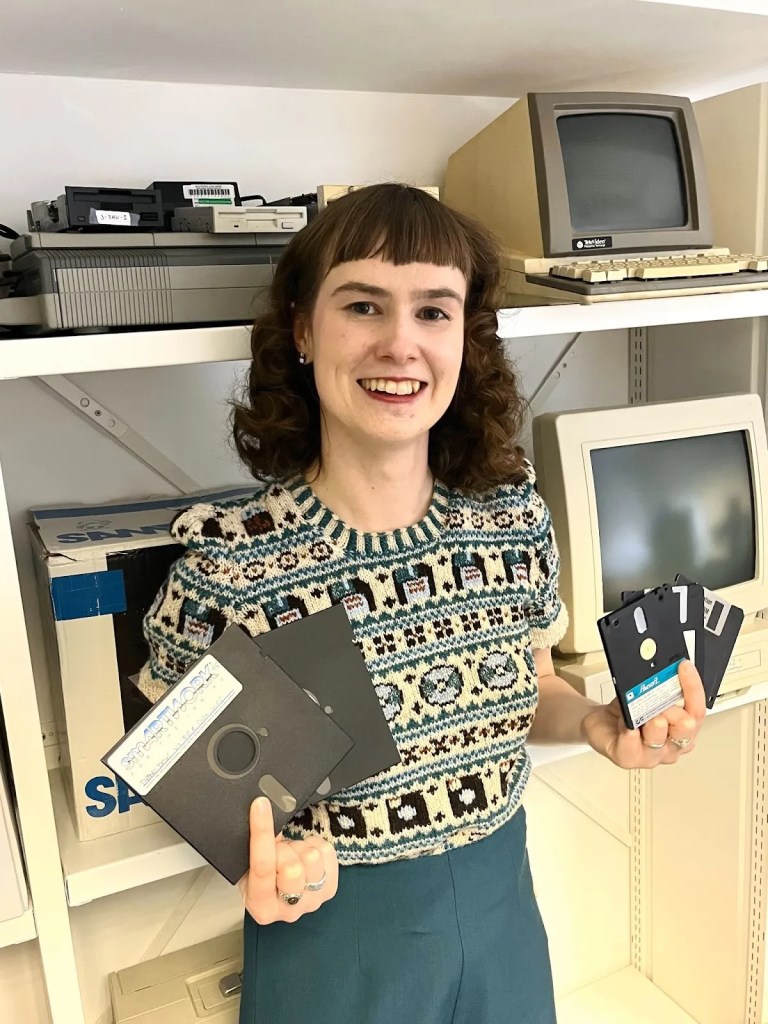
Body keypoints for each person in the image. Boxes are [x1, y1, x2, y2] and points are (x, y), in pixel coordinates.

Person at [137, 183, 706, 1024]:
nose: (400, 343)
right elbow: (192, 794)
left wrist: (593, 721)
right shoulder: (229, 562)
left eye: (433, 312)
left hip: (505, 923)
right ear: (302, 328)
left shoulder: (511, 520)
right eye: (363, 305)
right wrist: (275, 862)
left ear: (464, 338)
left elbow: (533, 686)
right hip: (335, 954)